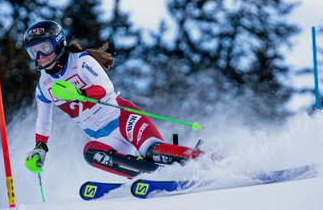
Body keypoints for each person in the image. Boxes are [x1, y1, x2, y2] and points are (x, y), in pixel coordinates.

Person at [23, 20, 203, 178]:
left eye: (44, 48)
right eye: (34, 52)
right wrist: (40, 147)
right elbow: (43, 120)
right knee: (91, 153)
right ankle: (152, 175)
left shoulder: (80, 61)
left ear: (58, 44)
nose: (40, 56)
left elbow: (105, 87)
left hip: (125, 120)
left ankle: (205, 159)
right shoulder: (44, 85)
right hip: (105, 137)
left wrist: (81, 94)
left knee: (152, 151)